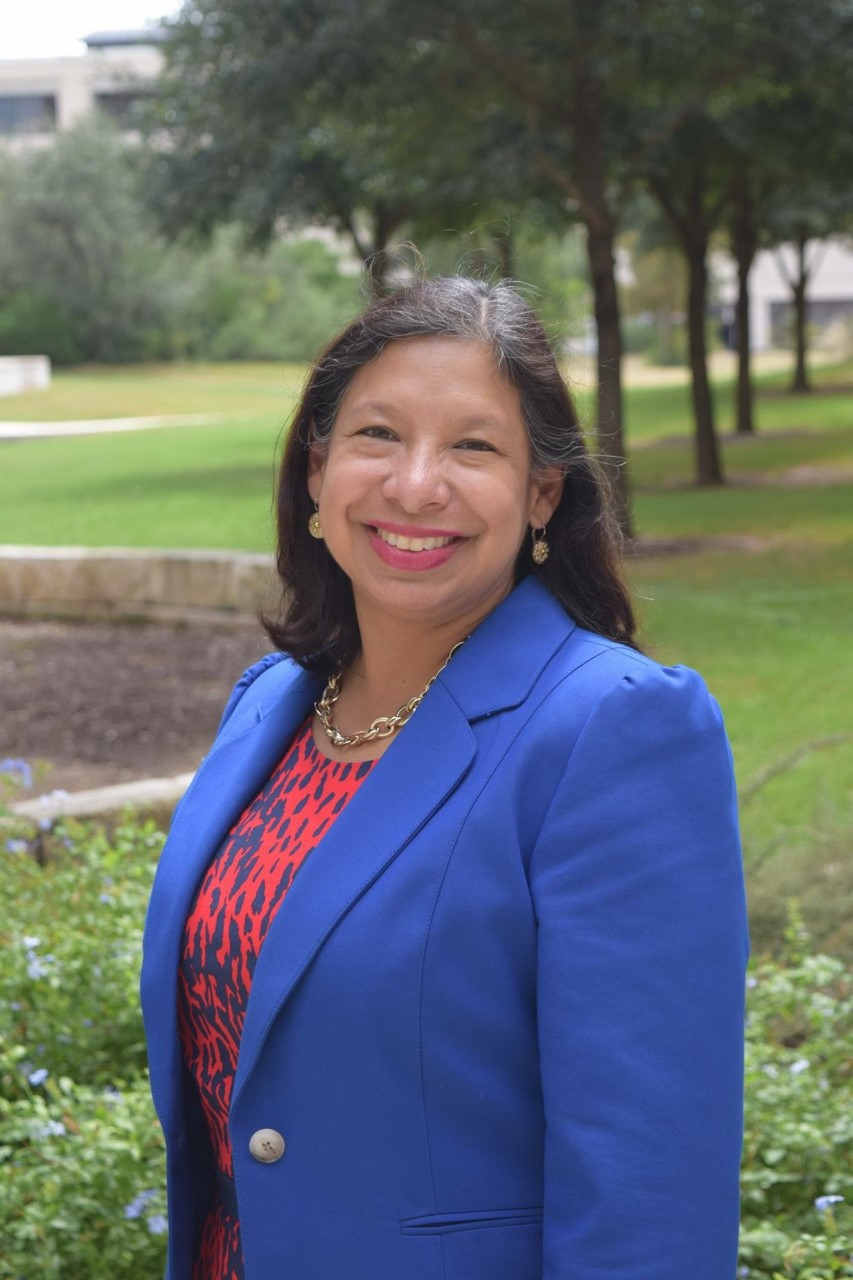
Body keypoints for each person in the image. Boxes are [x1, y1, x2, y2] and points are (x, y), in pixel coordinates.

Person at [140, 276, 748, 1280]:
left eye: (473, 446)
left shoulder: (615, 728)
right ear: (316, 468)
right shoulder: (269, 705)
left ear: (540, 492)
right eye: (377, 434)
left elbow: (648, 1195)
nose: (417, 483)